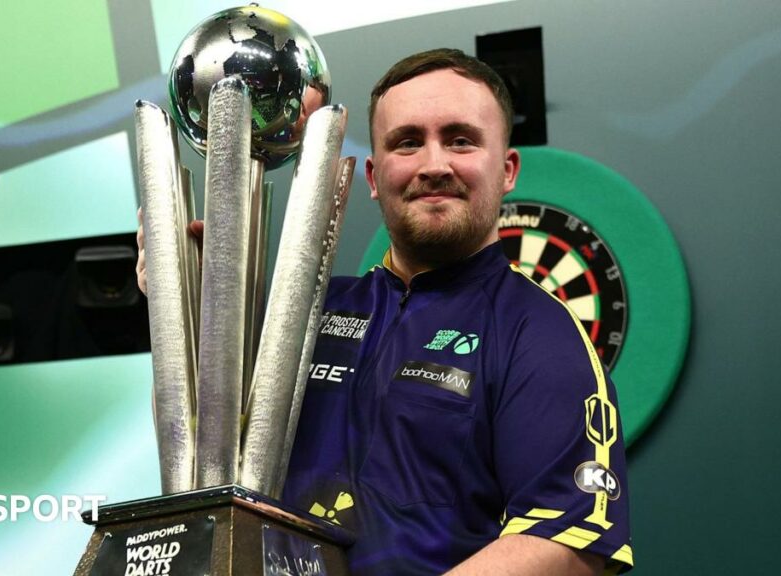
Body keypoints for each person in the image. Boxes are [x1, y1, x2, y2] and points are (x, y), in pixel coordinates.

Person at [137, 49, 633, 575]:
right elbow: (201, 462)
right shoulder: (304, 313)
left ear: (507, 169)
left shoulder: (537, 333)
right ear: (373, 176)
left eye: (460, 140)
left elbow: (569, 542)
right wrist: (187, 309)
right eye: (408, 142)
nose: (434, 164)